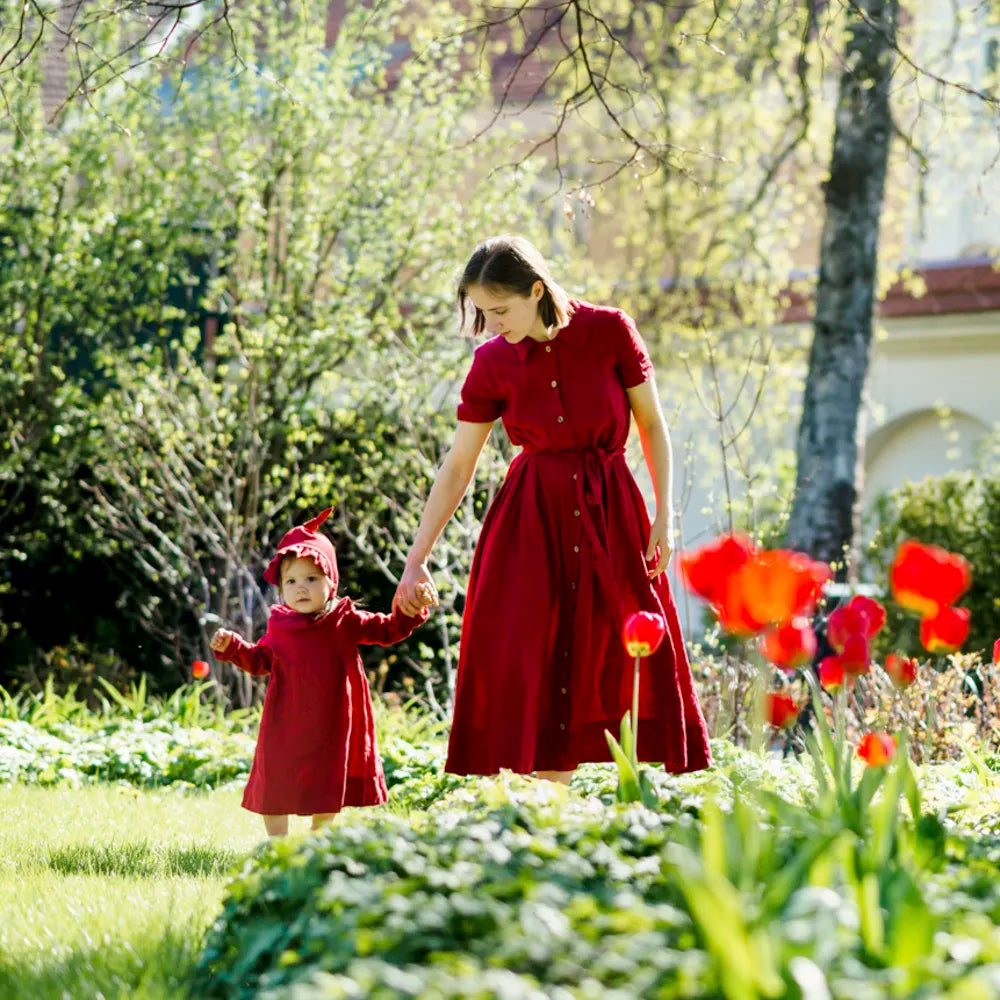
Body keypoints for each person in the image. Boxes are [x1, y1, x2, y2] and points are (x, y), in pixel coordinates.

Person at [393, 235, 711, 784]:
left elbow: (653, 426)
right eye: (481, 312)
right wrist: (417, 557)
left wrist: (664, 516)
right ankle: (548, 814)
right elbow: (458, 465)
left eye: (500, 310)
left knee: (627, 649)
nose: (492, 325)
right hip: (529, 524)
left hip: (612, 513)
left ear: (536, 289)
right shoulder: (492, 363)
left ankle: (633, 807)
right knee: (531, 655)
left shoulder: (609, 330)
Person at [211, 507, 433, 836]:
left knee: (328, 784)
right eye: (292, 581)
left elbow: (388, 630)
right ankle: (277, 844)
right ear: (281, 587)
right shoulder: (280, 625)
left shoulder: (345, 620)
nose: (301, 588)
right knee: (275, 781)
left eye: (311, 578)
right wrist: (233, 648)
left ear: (331, 582)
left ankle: (319, 839)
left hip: (332, 725)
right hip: (285, 723)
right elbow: (260, 661)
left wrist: (411, 611)